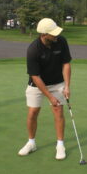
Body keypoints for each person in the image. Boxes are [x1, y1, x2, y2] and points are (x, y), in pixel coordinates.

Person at [18, 18, 72, 160]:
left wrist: (67, 86)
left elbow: (66, 64)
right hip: (37, 85)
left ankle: (60, 145)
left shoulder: (61, 41)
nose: (56, 35)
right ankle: (31, 143)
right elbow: (35, 76)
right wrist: (50, 97)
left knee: (58, 110)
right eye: (53, 33)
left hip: (57, 83)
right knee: (33, 112)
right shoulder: (33, 49)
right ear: (44, 34)